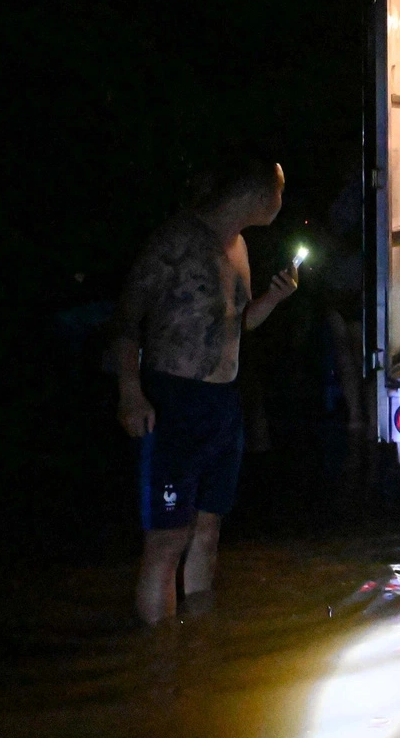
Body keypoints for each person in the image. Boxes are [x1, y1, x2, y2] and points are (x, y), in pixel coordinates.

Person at [112, 154, 298, 625]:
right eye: (278, 189)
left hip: (222, 402)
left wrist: (273, 299)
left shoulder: (238, 246)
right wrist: (130, 392)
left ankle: (195, 651)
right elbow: (126, 319)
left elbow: (239, 325)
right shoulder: (175, 241)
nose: (281, 199)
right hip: (172, 400)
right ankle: (158, 668)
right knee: (167, 538)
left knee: (208, 530)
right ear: (252, 193)